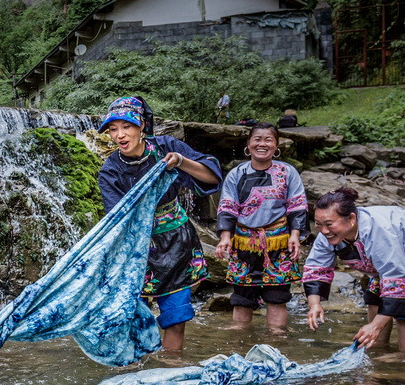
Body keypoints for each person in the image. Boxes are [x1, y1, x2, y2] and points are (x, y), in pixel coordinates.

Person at [97, 95, 222, 351]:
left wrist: (181, 162)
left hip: (177, 241)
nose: (119, 135)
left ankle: (171, 365)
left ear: (142, 125)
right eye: (113, 129)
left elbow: (210, 177)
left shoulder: (166, 147)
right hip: (135, 248)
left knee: (175, 317)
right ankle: (134, 371)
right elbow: (118, 220)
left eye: (127, 126)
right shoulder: (110, 170)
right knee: (128, 316)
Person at [303, 188, 405, 352]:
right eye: (318, 224)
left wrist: (375, 326)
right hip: (394, 256)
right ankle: (378, 347)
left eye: (329, 224)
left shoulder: (379, 231)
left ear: (351, 218)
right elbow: (317, 267)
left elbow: (397, 280)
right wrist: (314, 304)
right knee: (374, 298)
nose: (323, 231)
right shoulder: (327, 234)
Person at [215, 122, 308, 331]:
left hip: (278, 241)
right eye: (257, 139)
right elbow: (227, 207)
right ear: (248, 143)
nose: (262, 144)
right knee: (242, 297)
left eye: (268, 140)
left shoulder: (288, 172)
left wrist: (295, 235)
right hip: (243, 242)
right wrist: (225, 237)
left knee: (277, 297)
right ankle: (239, 341)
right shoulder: (236, 174)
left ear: (276, 145)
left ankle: (276, 341)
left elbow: (297, 205)